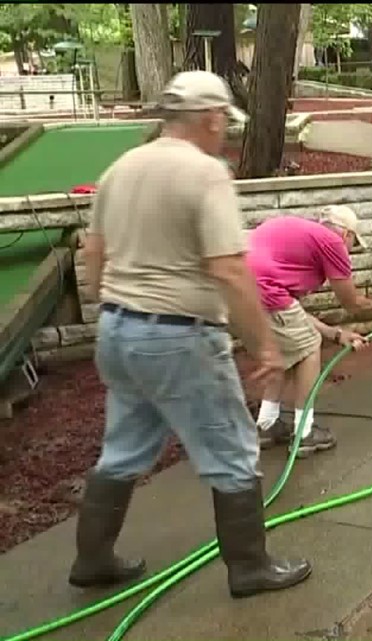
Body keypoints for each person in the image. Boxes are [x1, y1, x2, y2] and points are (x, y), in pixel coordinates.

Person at [70, 70, 312, 599]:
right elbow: (228, 269)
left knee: (125, 447)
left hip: (118, 329)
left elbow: (93, 253)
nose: (224, 128)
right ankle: (250, 568)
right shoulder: (205, 174)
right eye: (223, 118)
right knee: (233, 449)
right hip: (179, 337)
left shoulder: (121, 168)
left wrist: (112, 298)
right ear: (209, 117)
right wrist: (265, 344)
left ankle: (92, 560)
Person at [247, 206, 372, 455]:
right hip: (264, 290)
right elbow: (352, 304)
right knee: (308, 347)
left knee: (286, 350)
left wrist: (335, 334)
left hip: (239, 289)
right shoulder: (332, 242)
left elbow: (293, 314)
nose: (350, 251)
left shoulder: (299, 237)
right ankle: (304, 433)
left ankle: (267, 425)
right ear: (346, 234)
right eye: (353, 244)